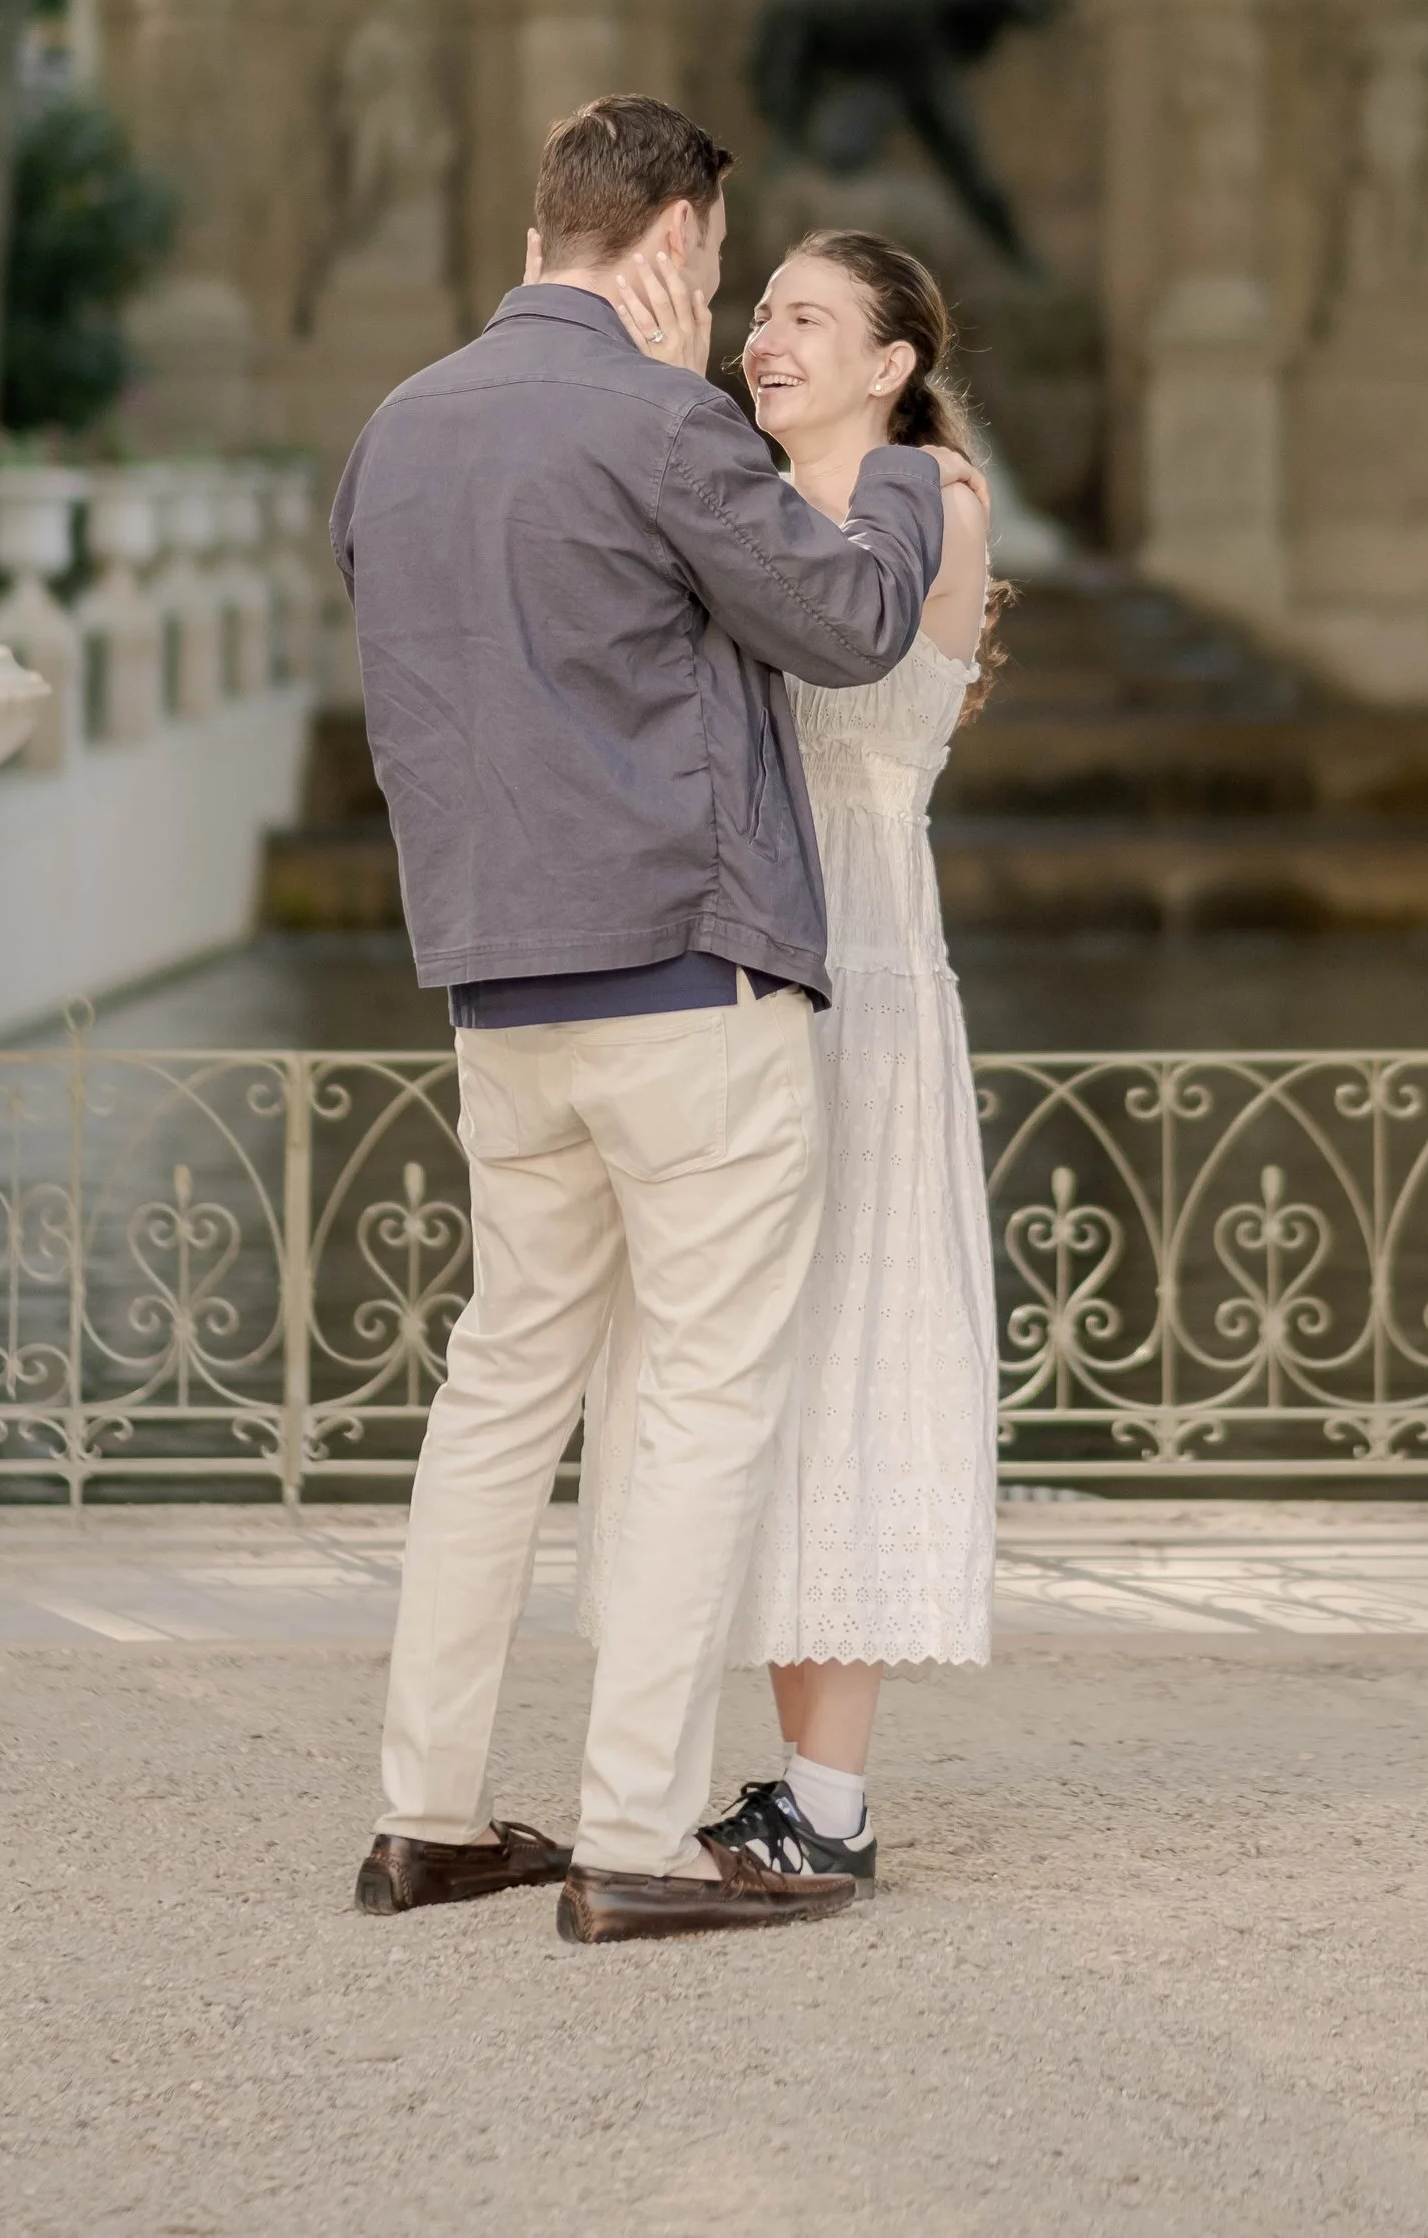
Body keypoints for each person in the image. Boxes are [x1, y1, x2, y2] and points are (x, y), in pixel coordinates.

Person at [331, 98, 982, 1947]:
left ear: (545, 220)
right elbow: (852, 623)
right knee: (698, 1400)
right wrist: (923, 483)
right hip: (685, 980)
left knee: (500, 1388)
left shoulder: (396, 429)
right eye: (721, 263)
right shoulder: (657, 412)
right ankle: (631, 1838)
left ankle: (428, 1817)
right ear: (680, 244)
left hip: (491, 988)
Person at [581, 230, 1003, 1891]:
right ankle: (787, 1784)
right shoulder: (752, 507)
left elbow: (831, 628)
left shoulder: (928, 500)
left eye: (806, 318)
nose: (768, 339)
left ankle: (832, 1799)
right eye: (761, 315)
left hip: (863, 977)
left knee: (846, 1351)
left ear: (893, 360)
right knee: (738, 1365)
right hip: (738, 962)